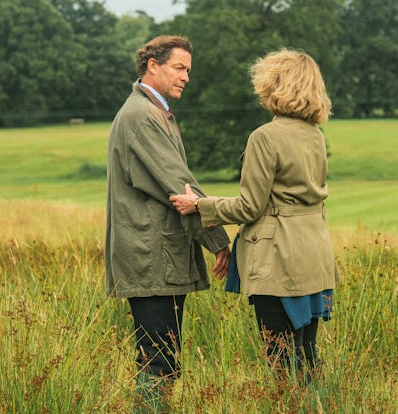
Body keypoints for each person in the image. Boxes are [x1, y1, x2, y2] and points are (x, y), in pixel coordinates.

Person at [170, 49, 339, 379]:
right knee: (306, 355)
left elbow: (249, 207)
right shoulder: (315, 135)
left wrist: (199, 206)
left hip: (280, 259)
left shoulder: (265, 136)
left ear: (274, 85)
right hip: (315, 255)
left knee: (281, 361)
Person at [105, 35, 231, 409]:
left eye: (189, 70)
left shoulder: (152, 112)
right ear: (152, 65)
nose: (186, 77)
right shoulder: (143, 117)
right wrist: (219, 241)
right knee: (158, 359)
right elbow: (181, 188)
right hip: (150, 257)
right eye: (179, 68)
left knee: (162, 357)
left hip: (157, 256)